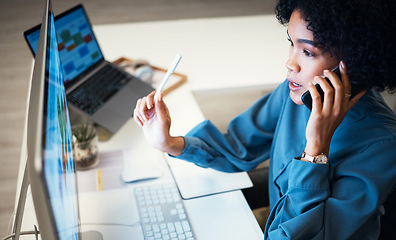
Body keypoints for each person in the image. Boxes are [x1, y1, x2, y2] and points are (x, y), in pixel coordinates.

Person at [133, 0, 396, 239]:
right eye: (291, 43)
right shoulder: (296, 93)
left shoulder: (382, 145)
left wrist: (315, 151)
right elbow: (238, 146)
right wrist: (169, 143)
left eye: (308, 52)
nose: (289, 64)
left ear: (352, 61)